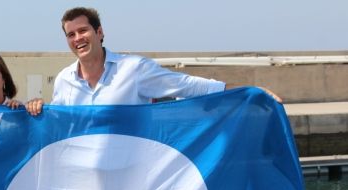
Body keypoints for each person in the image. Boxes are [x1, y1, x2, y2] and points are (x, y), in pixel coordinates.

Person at [26, 7, 281, 115]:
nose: (77, 38)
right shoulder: (64, 80)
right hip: (82, 187)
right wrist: (35, 106)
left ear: (99, 32)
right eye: (71, 34)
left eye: (83, 31)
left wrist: (250, 91)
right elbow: (56, 122)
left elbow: (190, 86)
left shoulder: (134, 70)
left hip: (129, 183)